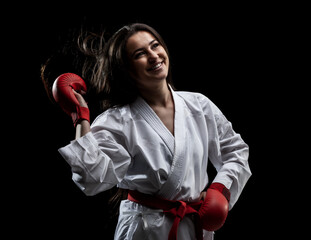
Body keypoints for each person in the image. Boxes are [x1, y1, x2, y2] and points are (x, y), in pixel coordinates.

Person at [42, 23, 251, 240]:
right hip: (145, 229)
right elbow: (92, 179)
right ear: (126, 69)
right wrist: (81, 117)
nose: (154, 56)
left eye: (155, 46)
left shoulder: (199, 105)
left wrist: (221, 189)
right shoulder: (118, 121)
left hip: (193, 225)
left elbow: (236, 151)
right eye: (140, 54)